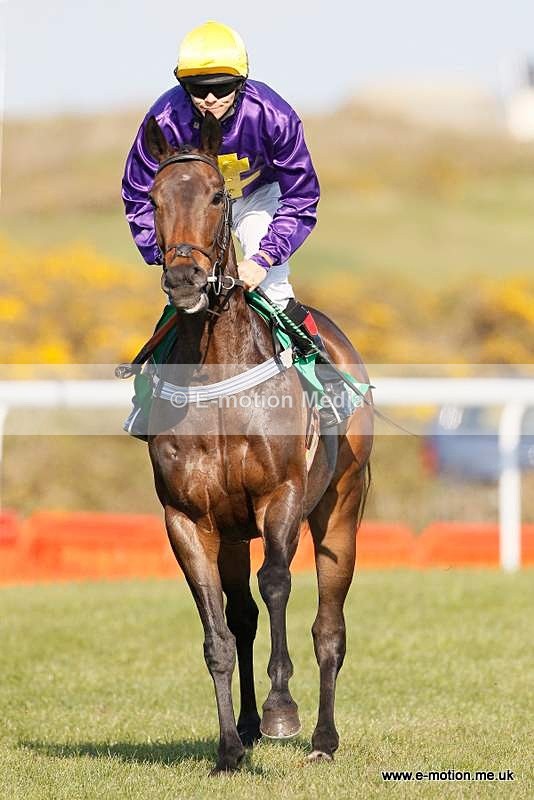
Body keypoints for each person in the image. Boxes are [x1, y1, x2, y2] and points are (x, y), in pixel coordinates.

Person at [122, 20, 355, 437]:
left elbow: (301, 197)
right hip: (193, 202)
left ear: (242, 81)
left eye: (221, 86)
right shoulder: (164, 117)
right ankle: (150, 398)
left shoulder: (274, 115)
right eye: (198, 88)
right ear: (182, 85)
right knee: (184, 291)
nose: (209, 98)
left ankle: (325, 382)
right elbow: (138, 192)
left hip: (257, 197)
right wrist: (165, 251)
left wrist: (264, 258)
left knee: (274, 288)